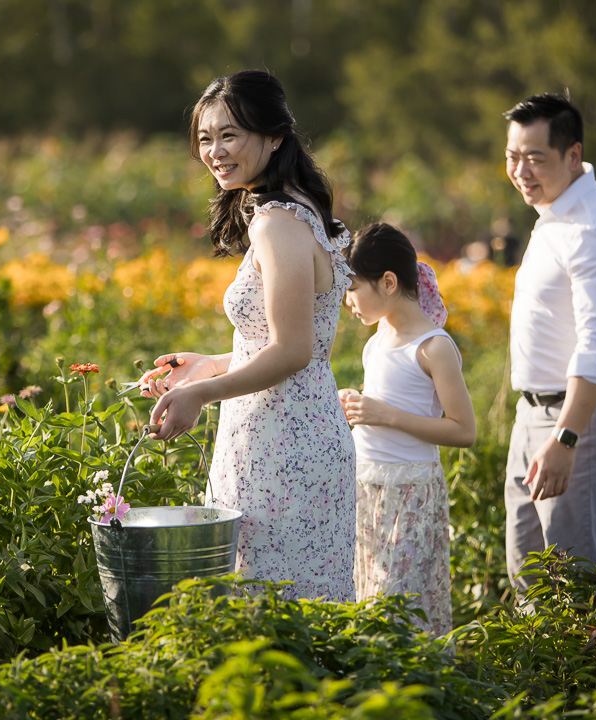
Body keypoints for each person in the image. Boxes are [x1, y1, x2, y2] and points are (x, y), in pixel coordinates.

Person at [139, 70, 356, 601]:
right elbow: (279, 341)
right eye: (206, 138)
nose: (215, 151)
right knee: (289, 609)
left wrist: (198, 394)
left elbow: (294, 350)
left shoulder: (278, 221)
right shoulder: (289, 208)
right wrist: (209, 364)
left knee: (276, 610)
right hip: (287, 433)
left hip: (285, 444)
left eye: (230, 135)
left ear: (274, 136)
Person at [501, 92, 596, 595]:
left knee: (575, 581)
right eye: (513, 157)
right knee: (529, 573)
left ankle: (589, 678)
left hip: (579, 417)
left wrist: (565, 439)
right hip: (535, 410)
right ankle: (538, 677)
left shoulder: (592, 228)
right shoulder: (555, 212)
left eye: (535, 158)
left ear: (573, 156)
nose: (520, 171)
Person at [338, 222, 477, 636]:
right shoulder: (378, 337)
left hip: (410, 492)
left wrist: (385, 415)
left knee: (398, 607)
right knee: (368, 601)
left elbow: (463, 430)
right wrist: (358, 404)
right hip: (368, 486)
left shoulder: (434, 347)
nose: (348, 301)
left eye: (352, 287)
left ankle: (416, 694)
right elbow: (382, 403)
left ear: (388, 282)